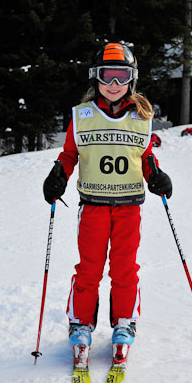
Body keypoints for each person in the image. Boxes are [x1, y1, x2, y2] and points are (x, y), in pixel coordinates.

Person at [43, 43, 172, 362]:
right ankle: (80, 325)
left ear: (132, 80)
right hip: (93, 207)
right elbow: (70, 154)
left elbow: (144, 155)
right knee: (89, 269)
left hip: (129, 207)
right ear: (95, 78)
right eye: (106, 76)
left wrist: (155, 174)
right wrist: (59, 173)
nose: (113, 84)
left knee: (124, 269)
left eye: (121, 76)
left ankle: (124, 324)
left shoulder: (141, 117)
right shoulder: (83, 116)